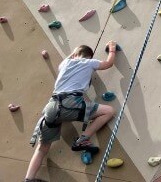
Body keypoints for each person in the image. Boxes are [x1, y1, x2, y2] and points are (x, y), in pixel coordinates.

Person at [24, 41, 118, 182]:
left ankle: (28, 179)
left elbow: (72, 56)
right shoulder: (89, 63)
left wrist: (74, 54)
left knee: (41, 148)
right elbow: (108, 64)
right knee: (109, 111)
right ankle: (82, 140)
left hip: (51, 107)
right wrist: (112, 49)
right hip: (71, 103)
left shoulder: (64, 64)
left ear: (73, 55)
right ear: (88, 57)